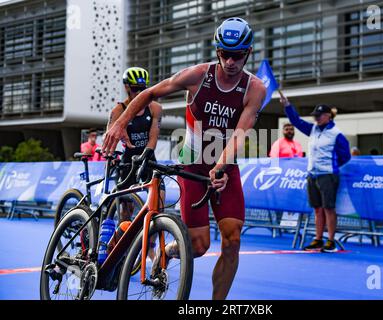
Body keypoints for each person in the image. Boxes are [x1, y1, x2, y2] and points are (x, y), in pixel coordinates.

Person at [102, 17, 266, 299]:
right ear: (217, 51)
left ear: (248, 53)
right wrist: (119, 123)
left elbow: (240, 133)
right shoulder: (198, 75)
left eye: (237, 56)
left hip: (224, 164)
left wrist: (220, 166)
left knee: (232, 240)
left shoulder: (255, 89)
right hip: (192, 160)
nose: (230, 62)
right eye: (225, 54)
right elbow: (150, 93)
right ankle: (168, 250)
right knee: (198, 246)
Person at [279, 91, 351, 253]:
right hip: (312, 175)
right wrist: (287, 106)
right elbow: (296, 121)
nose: (316, 118)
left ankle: (330, 241)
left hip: (328, 175)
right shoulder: (313, 130)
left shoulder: (336, 134)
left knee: (329, 208)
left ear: (328, 116)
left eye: (319, 115)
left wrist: (332, 166)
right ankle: (318, 239)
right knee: (317, 209)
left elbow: (346, 155)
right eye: (315, 116)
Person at [107, 67, 164, 222]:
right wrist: (111, 155)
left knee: (159, 204)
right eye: (135, 89)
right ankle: (124, 241)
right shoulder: (118, 110)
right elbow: (110, 138)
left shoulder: (155, 108)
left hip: (147, 157)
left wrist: (146, 154)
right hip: (128, 161)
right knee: (126, 211)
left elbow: (153, 137)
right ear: (126, 87)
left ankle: (151, 245)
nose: (139, 93)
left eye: (143, 89)